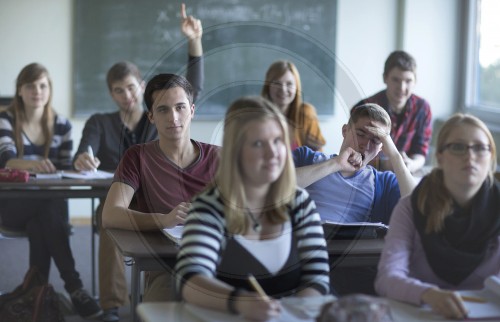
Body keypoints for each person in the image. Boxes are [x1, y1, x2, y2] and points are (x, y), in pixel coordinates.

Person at [72, 4, 204, 321]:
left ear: (142, 87)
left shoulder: (157, 117)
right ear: (111, 94)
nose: (126, 95)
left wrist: (194, 42)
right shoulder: (99, 121)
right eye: (118, 91)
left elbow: (192, 89)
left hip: (161, 198)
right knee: (109, 219)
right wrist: (84, 157)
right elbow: (84, 148)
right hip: (120, 199)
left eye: (131, 88)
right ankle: (112, 307)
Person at [175, 96, 330, 321]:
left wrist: (290, 314)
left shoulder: (300, 202)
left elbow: (317, 279)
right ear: (236, 152)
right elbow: (191, 281)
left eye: (277, 141)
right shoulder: (209, 207)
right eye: (258, 143)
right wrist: (241, 303)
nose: (272, 153)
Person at [101, 73, 219, 306]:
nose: (173, 117)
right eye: (163, 110)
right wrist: (164, 220)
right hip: (167, 266)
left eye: (180, 107)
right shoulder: (137, 157)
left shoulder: (219, 156)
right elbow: (110, 214)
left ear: (192, 110)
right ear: (151, 116)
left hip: (220, 260)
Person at [0, 63, 102, 319]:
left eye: (43, 85)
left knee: (42, 218)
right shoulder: (5, 118)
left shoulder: (62, 125)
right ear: (20, 91)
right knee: (47, 206)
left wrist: (80, 164)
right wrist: (33, 164)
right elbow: (5, 160)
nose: (37, 91)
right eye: (31, 85)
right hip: (11, 206)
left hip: (47, 209)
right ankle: (75, 287)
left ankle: (36, 291)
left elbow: (66, 171)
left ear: (50, 90)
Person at [375, 113, 500, 320]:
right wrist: (427, 294)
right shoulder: (410, 206)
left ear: (491, 158)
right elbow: (387, 278)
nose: (470, 156)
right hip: (421, 315)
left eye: (479, 148)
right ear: (440, 157)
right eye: (458, 147)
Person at [292, 103, 416, 295]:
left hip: (353, 264)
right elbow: (276, 188)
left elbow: (417, 208)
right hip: (305, 254)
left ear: (382, 147)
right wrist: (335, 164)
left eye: (376, 140)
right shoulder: (307, 158)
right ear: (345, 130)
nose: (365, 145)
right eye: (360, 133)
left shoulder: (383, 182)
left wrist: (395, 155)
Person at [353, 50, 432, 174]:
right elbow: (354, 150)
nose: (402, 87)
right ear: (385, 78)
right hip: (370, 173)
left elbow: (421, 151)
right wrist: (386, 163)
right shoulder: (364, 107)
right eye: (396, 79)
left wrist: (412, 164)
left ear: (415, 81)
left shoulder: (423, 108)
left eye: (408, 81)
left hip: (407, 172)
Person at [261, 60, 326, 151]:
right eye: (277, 83)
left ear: (297, 87)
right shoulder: (257, 117)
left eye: (289, 84)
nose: (283, 89)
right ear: (268, 86)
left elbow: (319, 158)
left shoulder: (306, 114)